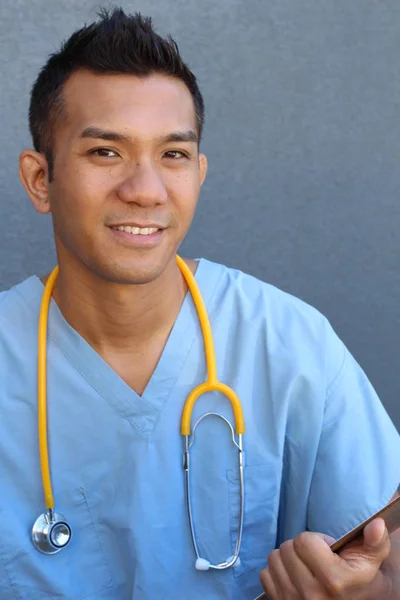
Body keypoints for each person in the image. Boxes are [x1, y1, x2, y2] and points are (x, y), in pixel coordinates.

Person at [0, 7, 399, 600]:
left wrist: (357, 593)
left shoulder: (287, 343)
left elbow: (386, 564)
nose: (145, 190)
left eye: (173, 155)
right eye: (106, 152)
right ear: (40, 179)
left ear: (199, 173)